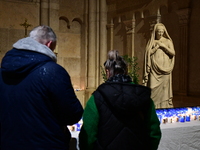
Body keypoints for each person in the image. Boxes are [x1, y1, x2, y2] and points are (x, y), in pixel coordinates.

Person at [0, 25, 83, 150]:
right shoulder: (52, 72)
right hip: (45, 144)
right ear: (49, 44)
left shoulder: (3, 71)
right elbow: (72, 114)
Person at [79, 50, 161, 150]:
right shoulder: (143, 96)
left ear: (108, 72)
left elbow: (88, 134)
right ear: (126, 71)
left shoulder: (97, 97)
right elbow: (154, 132)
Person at [143, 23, 175, 109]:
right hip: (154, 70)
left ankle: (164, 107)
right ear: (155, 32)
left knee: (165, 90)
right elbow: (148, 54)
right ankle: (153, 108)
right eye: (158, 32)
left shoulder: (168, 41)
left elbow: (173, 53)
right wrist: (156, 47)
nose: (160, 33)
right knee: (152, 88)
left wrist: (163, 46)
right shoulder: (152, 42)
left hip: (165, 70)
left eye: (162, 32)